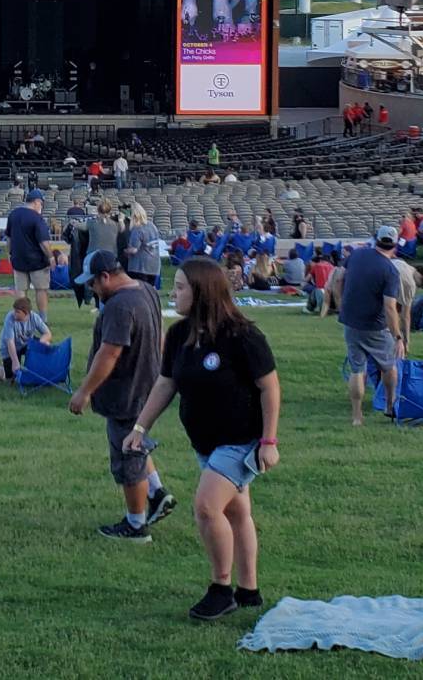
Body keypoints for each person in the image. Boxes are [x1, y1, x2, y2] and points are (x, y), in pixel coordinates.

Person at [123, 256, 280, 621]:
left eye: (180, 287)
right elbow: (166, 383)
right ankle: (249, 591)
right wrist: (139, 428)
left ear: (203, 293)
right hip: (205, 444)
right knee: (237, 511)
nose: (172, 293)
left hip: (241, 442)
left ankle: (220, 588)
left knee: (207, 508)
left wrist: (269, 442)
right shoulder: (179, 335)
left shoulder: (243, 335)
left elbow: (269, 387)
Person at [68, 249, 173, 541]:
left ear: (106, 276)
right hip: (147, 387)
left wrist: (84, 392)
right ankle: (157, 493)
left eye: (93, 284)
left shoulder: (119, 305)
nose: (92, 290)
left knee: (129, 457)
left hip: (126, 392)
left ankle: (136, 524)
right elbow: (160, 336)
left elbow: (110, 353)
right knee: (136, 444)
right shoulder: (147, 290)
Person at [335, 231, 410, 428]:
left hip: (351, 322)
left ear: (376, 240)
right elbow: (390, 308)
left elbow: (338, 278)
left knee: (357, 369)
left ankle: (357, 416)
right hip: (375, 327)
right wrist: (398, 336)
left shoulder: (357, 254)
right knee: (389, 366)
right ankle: (389, 404)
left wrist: (341, 303)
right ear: (394, 246)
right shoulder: (390, 271)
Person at [6, 188, 52, 318]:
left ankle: (21, 316)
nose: (41, 206)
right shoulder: (37, 218)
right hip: (37, 261)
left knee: (21, 290)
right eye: (41, 204)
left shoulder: (13, 214)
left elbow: (8, 238)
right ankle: (43, 318)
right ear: (36, 202)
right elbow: (43, 242)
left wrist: (9, 253)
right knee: (41, 289)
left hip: (18, 258)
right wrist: (51, 257)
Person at [0, 295, 53, 381]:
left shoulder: (34, 317)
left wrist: (40, 342)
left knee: (46, 344)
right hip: (9, 347)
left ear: (26, 313)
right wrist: (15, 362)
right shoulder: (10, 318)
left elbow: (48, 334)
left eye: (17, 312)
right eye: (14, 311)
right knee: (9, 377)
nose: (14, 313)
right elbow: (10, 342)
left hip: (27, 344)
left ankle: (40, 370)